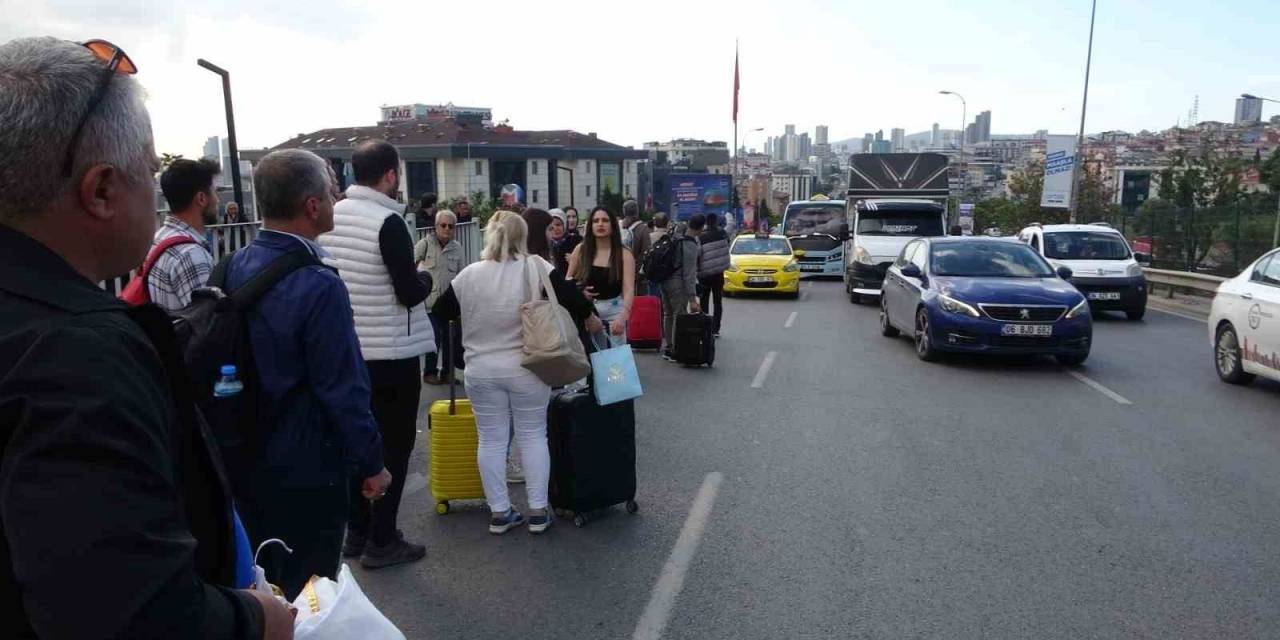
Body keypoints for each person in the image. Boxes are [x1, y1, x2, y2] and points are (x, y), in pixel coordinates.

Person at [0, 36, 293, 638]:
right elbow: (127, 611)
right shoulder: (76, 357)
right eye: (149, 169)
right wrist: (255, 619)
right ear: (102, 190)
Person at [224, 149, 392, 599]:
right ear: (312, 206)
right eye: (332, 192)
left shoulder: (236, 266)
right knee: (311, 591)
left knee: (267, 582)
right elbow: (342, 388)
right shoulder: (319, 284)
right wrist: (372, 463)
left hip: (245, 453)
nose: (336, 199)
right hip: (308, 463)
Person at [430, 211, 601, 535]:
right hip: (526, 368)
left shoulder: (469, 275)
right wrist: (590, 317)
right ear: (521, 237)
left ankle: (500, 512)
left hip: (480, 370)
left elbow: (441, 310)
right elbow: (573, 299)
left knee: (491, 440)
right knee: (533, 435)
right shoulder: (536, 267)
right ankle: (538, 511)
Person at [318, 140, 433, 569]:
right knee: (395, 447)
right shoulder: (388, 221)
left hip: (348, 347)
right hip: (392, 352)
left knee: (355, 442)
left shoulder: (333, 217)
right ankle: (383, 538)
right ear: (389, 175)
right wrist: (424, 280)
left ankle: (357, 531)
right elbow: (407, 293)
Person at [148, 157, 220, 312]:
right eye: (215, 191)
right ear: (201, 198)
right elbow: (207, 326)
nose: (218, 200)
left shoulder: (159, 238)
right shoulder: (192, 255)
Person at [569, 206, 636, 348]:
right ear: (590, 225)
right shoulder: (580, 250)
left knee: (615, 365)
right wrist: (580, 291)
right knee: (589, 360)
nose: (600, 224)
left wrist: (623, 317)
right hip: (586, 312)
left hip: (614, 312)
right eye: (596, 221)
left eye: (605, 220)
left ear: (613, 225)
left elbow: (629, 289)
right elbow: (568, 281)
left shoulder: (624, 254)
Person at [416, 210, 463, 385]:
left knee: (450, 339)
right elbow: (411, 267)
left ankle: (447, 373)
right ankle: (429, 372)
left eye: (451, 226)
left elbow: (460, 274)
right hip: (428, 303)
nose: (447, 229)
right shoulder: (424, 244)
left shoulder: (457, 247)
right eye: (443, 225)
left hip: (448, 303)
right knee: (432, 338)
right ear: (436, 227)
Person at [659, 214, 703, 361]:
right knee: (679, 315)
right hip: (676, 283)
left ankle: (668, 347)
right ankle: (675, 350)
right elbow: (689, 275)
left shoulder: (676, 234)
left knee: (668, 314)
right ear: (701, 228)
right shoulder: (690, 244)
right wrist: (692, 299)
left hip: (663, 279)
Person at [697, 214, 730, 337]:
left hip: (704, 274)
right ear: (716, 221)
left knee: (704, 301)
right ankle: (716, 329)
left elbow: (698, 254)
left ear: (706, 223)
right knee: (718, 302)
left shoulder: (701, 236)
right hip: (718, 273)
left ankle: (706, 327)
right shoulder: (722, 234)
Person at [621, 199, 652, 296]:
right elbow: (647, 253)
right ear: (637, 212)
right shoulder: (643, 229)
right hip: (637, 276)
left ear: (624, 212)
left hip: (622, 274)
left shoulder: (620, 228)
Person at [548, 208, 571, 273]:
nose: (555, 228)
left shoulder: (574, 241)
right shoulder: (544, 245)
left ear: (564, 226)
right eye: (551, 227)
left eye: (558, 225)